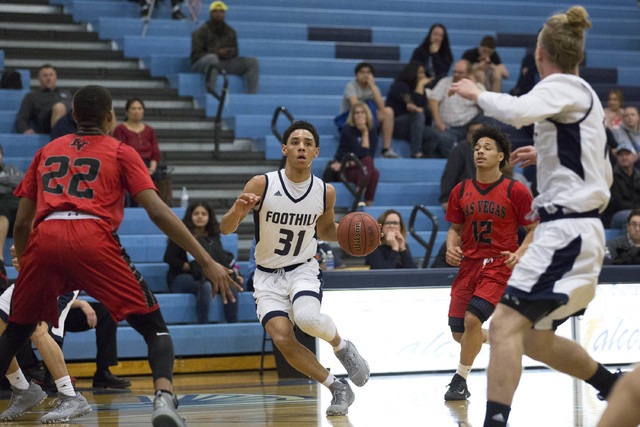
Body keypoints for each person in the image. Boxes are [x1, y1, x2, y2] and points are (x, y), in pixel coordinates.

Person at [0, 84, 241, 427]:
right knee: (154, 327)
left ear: (72, 116)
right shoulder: (121, 150)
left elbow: (22, 223)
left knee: (14, 332)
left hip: (45, 237)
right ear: (111, 117)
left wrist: (26, 265)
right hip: (92, 236)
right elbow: (158, 213)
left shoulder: (46, 150)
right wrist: (206, 259)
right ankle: (163, 398)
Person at [451, 6, 621, 426]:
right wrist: (544, 154)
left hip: (567, 231)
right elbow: (590, 157)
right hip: (575, 229)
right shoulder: (583, 94)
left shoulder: (562, 85)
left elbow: (516, 110)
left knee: (504, 325)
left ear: (540, 53)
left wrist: (477, 94)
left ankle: (494, 421)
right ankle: (614, 387)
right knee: (530, 338)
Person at [220, 121, 371, 416]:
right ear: (285, 148)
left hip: (302, 268)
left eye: (307, 143)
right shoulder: (262, 184)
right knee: (282, 338)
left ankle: (343, 348)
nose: (301, 146)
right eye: (295, 141)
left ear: (316, 151)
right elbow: (226, 229)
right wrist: (237, 211)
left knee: (306, 318)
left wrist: (358, 236)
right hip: (266, 276)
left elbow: (326, 230)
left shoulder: (325, 191)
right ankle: (336, 387)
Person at [443, 124, 537, 402]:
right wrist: (451, 247)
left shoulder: (516, 190)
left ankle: (459, 381)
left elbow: (535, 229)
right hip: (469, 265)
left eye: (487, 148)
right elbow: (455, 229)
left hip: (499, 265)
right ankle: (506, 339)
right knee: (460, 334)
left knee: (473, 319)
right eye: (476, 148)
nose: (480, 152)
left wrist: (520, 253)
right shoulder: (460, 190)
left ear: (501, 157)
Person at [0, 276, 89, 422]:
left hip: (61, 273)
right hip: (32, 273)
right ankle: (22, 389)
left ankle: (70, 397)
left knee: (37, 328)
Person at [164, 201, 242, 324]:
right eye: (196, 214)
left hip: (206, 275)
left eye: (203, 214)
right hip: (181, 277)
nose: (200, 216)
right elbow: (169, 258)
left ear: (209, 217)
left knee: (229, 286)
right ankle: (203, 324)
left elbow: (219, 259)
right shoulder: (180, 233)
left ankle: (233, 324)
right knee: (205, 286)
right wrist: (191, 267)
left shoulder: (213, 237)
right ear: (190, 216)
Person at [191, 1, 259, 95]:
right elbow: (196, 55)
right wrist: (217, 53)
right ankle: (211, 95)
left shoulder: (231, 32)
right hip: (202, 64)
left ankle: (252, 96)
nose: (219, 14)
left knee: (252, 62)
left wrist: (229, 54)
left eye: (221, 12)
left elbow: (235, 52)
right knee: (212, 59)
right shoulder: (200, 32)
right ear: (211, 13)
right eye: (216, 12)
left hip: (222, 63)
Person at [65, 299, 132, 389]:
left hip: (65, 309)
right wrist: (82, 303)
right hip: (47, 309)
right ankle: (52, 375)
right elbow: (53, 298)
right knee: (53, 321)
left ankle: (103, 372)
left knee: (107, 312)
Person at [427, 60, 484, 158]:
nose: (456, 74)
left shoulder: (477, 87)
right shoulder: (445, 82)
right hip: (448, 127)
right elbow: (433, 100)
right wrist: (437, 122)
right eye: (454, 72)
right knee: (441, 138)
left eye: (460, 72)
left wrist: (474, 88)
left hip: (468, 127)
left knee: (489, 121)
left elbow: (484, 107)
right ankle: (457, 162)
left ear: (469, 74)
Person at [340, 62, 398, 158]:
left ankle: (386, 149)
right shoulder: (351, 86)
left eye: (368, 72)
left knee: (388, 112)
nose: (365, 75)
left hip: (367, 118)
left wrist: (373, 86)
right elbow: (355, 106)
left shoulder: (373, 87)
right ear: (356, 74)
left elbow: (382, 107)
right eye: (362, 72)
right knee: (360, 112)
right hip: (351, 118)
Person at [327, 102, 380, 206]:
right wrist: (365, 133)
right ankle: (362, 198)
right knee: (369, 166)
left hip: (356, 167)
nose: (359, 115)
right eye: (356, 113)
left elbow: (370, 154)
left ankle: (365, 202)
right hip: (344, 170)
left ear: (367, 114)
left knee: (375, 173)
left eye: (362, 112)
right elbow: (361, 154)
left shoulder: (372, 131)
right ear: (353, 116)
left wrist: (365, 132)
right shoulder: (347, 130)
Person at [386, 62, 433, 158]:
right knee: (417, 115)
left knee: (436, 135)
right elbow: (412, 105)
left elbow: (427, 111)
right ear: (412, 73)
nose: (423, 76)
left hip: (414, 126)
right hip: (395, 125)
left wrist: (421, 109)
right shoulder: (400, 86)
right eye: (420, 73)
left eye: (423, 72)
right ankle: (416, 153)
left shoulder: (421, 90)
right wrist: (420, 86)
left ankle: (427, 159)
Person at [439, 119, 484, 211]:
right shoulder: (461, 148)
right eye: (472, 133)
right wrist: (446, 199)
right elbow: (450, 174)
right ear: (467, 135)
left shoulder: (492, 150)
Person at [15, 64, 72, 135]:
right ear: (39, 78)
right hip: (46, 121)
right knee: (59, 107)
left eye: (51, 75)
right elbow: (22, 117)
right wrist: (25, 129)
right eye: (45, 75)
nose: (48, 78)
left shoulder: (65, 93)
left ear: (56, 77)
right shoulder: (31, 96)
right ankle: (58, 142)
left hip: (67, 120)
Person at [601, 141, 640, 229]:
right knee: (629, 217)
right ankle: (627, 243)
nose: (624, 157)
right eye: (620, 155)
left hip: (635, 212)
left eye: (627, 154)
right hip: (614, 215)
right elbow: (616, 204)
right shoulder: (610, 176)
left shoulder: (638, 176)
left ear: (635, 157)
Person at [0, 146, 24, 267]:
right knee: (1, 211)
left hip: (15, 204)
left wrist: (3, 179)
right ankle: (0, 258)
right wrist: (8, 181)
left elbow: (24, 182)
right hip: (1, 206)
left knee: (31, 211)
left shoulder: (10, 169)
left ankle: (29, 257)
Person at [410, 23, 453, 89]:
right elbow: (414, 68)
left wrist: (435, 54)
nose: (437, 38)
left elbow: (443, 72)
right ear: (430, 35)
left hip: (438, 85)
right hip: (421, 82)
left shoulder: (446, 53)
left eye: (440, 36)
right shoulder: (419, 51)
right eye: (435, 34)